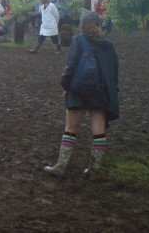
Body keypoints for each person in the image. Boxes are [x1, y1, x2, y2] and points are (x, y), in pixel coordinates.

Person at [43, 11, 119, 177]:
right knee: (99, 131)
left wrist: (66, 86)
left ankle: (61, 166)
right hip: (99, 92)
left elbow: (70, 66)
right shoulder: (107, 44)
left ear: (82, 25)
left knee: (71, 128)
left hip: (79, 89)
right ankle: (94, 169)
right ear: (99, 24)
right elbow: (113, 70)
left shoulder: (79, 40)